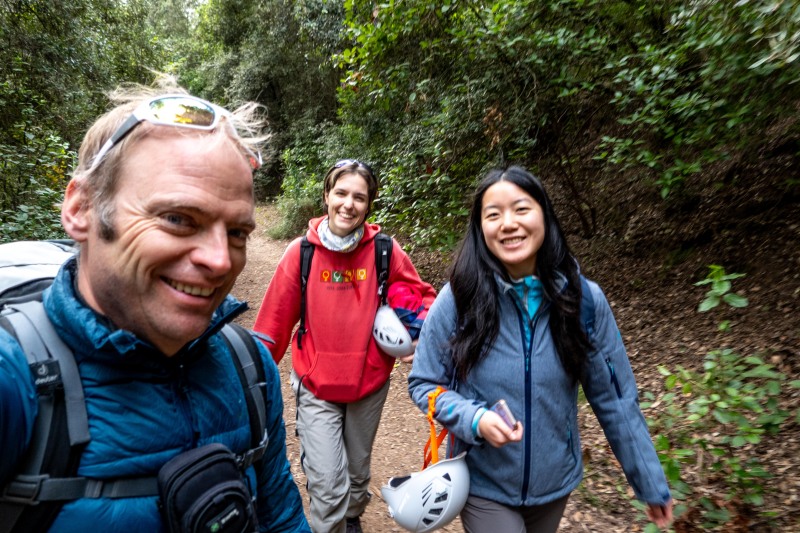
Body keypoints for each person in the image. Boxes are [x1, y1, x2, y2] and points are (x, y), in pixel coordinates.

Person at [0, 79, 311, 532]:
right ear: (81, 209)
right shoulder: (15, 383)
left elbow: (281, 519)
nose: (221, 260)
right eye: (178, 219)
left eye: (238, 232)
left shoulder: (251, 367)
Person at [408, 166, 674, 532]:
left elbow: (614, 399)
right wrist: (475, 419)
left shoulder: (583, 301)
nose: (508, 223)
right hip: (483, 482)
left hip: (554, 483)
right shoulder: (460, 298)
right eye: (493, 214)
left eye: (521, 209)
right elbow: (424, 383)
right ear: (480, 227)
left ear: (544, 215)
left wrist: (649, 483)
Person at [253, 160, 436, 533]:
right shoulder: (300, 253)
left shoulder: (385, 251)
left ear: (369, 205)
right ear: (326, 196)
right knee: (328, 488)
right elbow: (272, 325)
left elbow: (424, 301)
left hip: (368, 384)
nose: (348, 204)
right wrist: (251, 382)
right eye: (341, 193)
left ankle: (352, 516)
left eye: (359, 197)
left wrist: (420, 336)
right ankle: (334, 522)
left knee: (355, 477)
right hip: (316, 385)